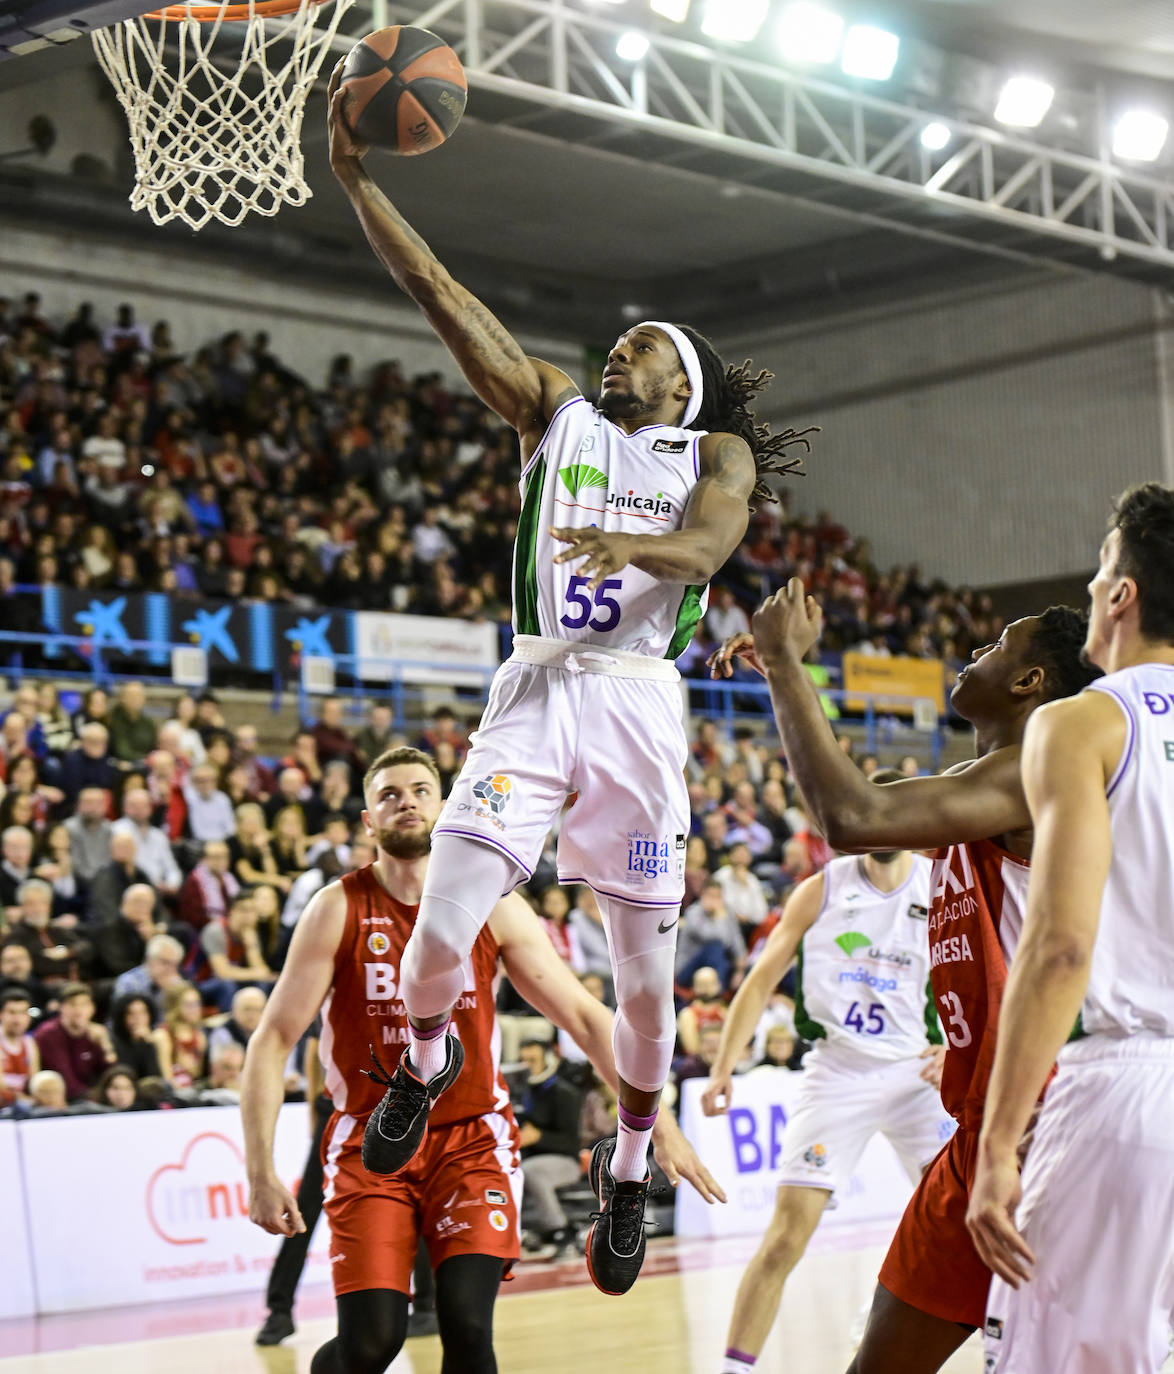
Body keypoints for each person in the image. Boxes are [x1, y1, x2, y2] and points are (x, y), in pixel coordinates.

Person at [325, 71, 809, 1297]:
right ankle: (426, 1062)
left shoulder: (717, 451)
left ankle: (629, 1164)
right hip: (536, 693)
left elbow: (706, 552)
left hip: (640, 709)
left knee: (645, 999)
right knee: (441, 931)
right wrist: (358, 178)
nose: (619, 349)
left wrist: (630, 547)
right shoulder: (552, 409)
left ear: (682, 382)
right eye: (617, 339)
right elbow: (439, 295)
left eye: (642, 346)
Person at [710, 582, 1099, 1374]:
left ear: (1031, 683)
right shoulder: (976, 789)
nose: (972, 655)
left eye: (995, 648)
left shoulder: (1031, 774)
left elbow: (852, 817)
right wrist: (782, 684)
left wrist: (789, 666)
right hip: (975, 1127)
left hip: (1050, 1127)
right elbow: (858, 806)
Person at [242, 747, 723, 1374]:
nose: (406, 801)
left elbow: (582, 1016)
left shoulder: (494, 903)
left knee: (467, 1328)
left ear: (443, 807)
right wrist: (259, 1169)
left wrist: (662, 1128)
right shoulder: (337, 907)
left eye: (420, 789)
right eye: (389, 794)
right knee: (371, 1344)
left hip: (472, 1143)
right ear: (367, 821)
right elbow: (273, 1038)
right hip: (370, 1142)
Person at [968, 484, 1174, 1374]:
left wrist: (998, 1143)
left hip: (1123, 1091)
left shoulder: (1081, 720)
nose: (1093, 587)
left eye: (1099, 571)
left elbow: (1059, 946)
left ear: (1122, 594)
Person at [701, 792, 950, 1374]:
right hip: (838, 1072)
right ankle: (734, 1368)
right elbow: (761, 980)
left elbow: (982, 969)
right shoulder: (823, 888)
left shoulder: (938, 886)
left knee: (963, 1224)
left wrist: (958, 1047)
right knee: (788, 1234)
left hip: (917, 1073)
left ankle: (912, 1324)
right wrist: (722, 1067)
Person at [516, 1038, 585, 1256]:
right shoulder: (520, 1093)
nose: (528, 1066)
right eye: (524, 1061)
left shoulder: (564, 1093)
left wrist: (538, 1137)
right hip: (529, 1157)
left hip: (565, 1161)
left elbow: (571, 1143)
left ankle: (559, 1229)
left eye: (533, 1060)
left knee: (531, 1171)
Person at [34, 982, 117, 1100]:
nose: (78, 1010)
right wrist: (100, 1097)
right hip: (61, 1101)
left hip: (91, 1098)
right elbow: (68, 1084)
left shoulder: (97, 1033)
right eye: (72, 1004)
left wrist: (105, 1044)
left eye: (84, 1004)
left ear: (92, 1008)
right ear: (61, 1007)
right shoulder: (48, 1034)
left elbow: (112, 1075)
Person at [0, 986, 40, 1105]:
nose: (17, 1019)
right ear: (1, 1014)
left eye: (23, 1013)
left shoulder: (30, 1043)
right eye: (12, 1012)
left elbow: (35, 1082)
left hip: (23, 1103)